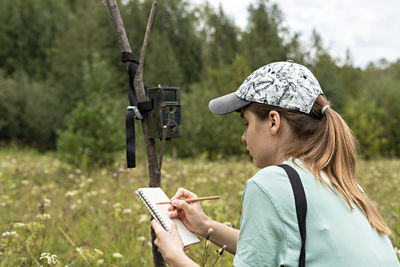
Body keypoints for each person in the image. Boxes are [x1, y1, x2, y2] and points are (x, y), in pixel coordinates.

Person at [150, 60, 400, 266]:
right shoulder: (342, 183)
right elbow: (268, 249)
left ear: (273, 121)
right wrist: (205, 226)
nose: (243, 136)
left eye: (246, 123)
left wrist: (175, 256)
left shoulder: (271, 184)